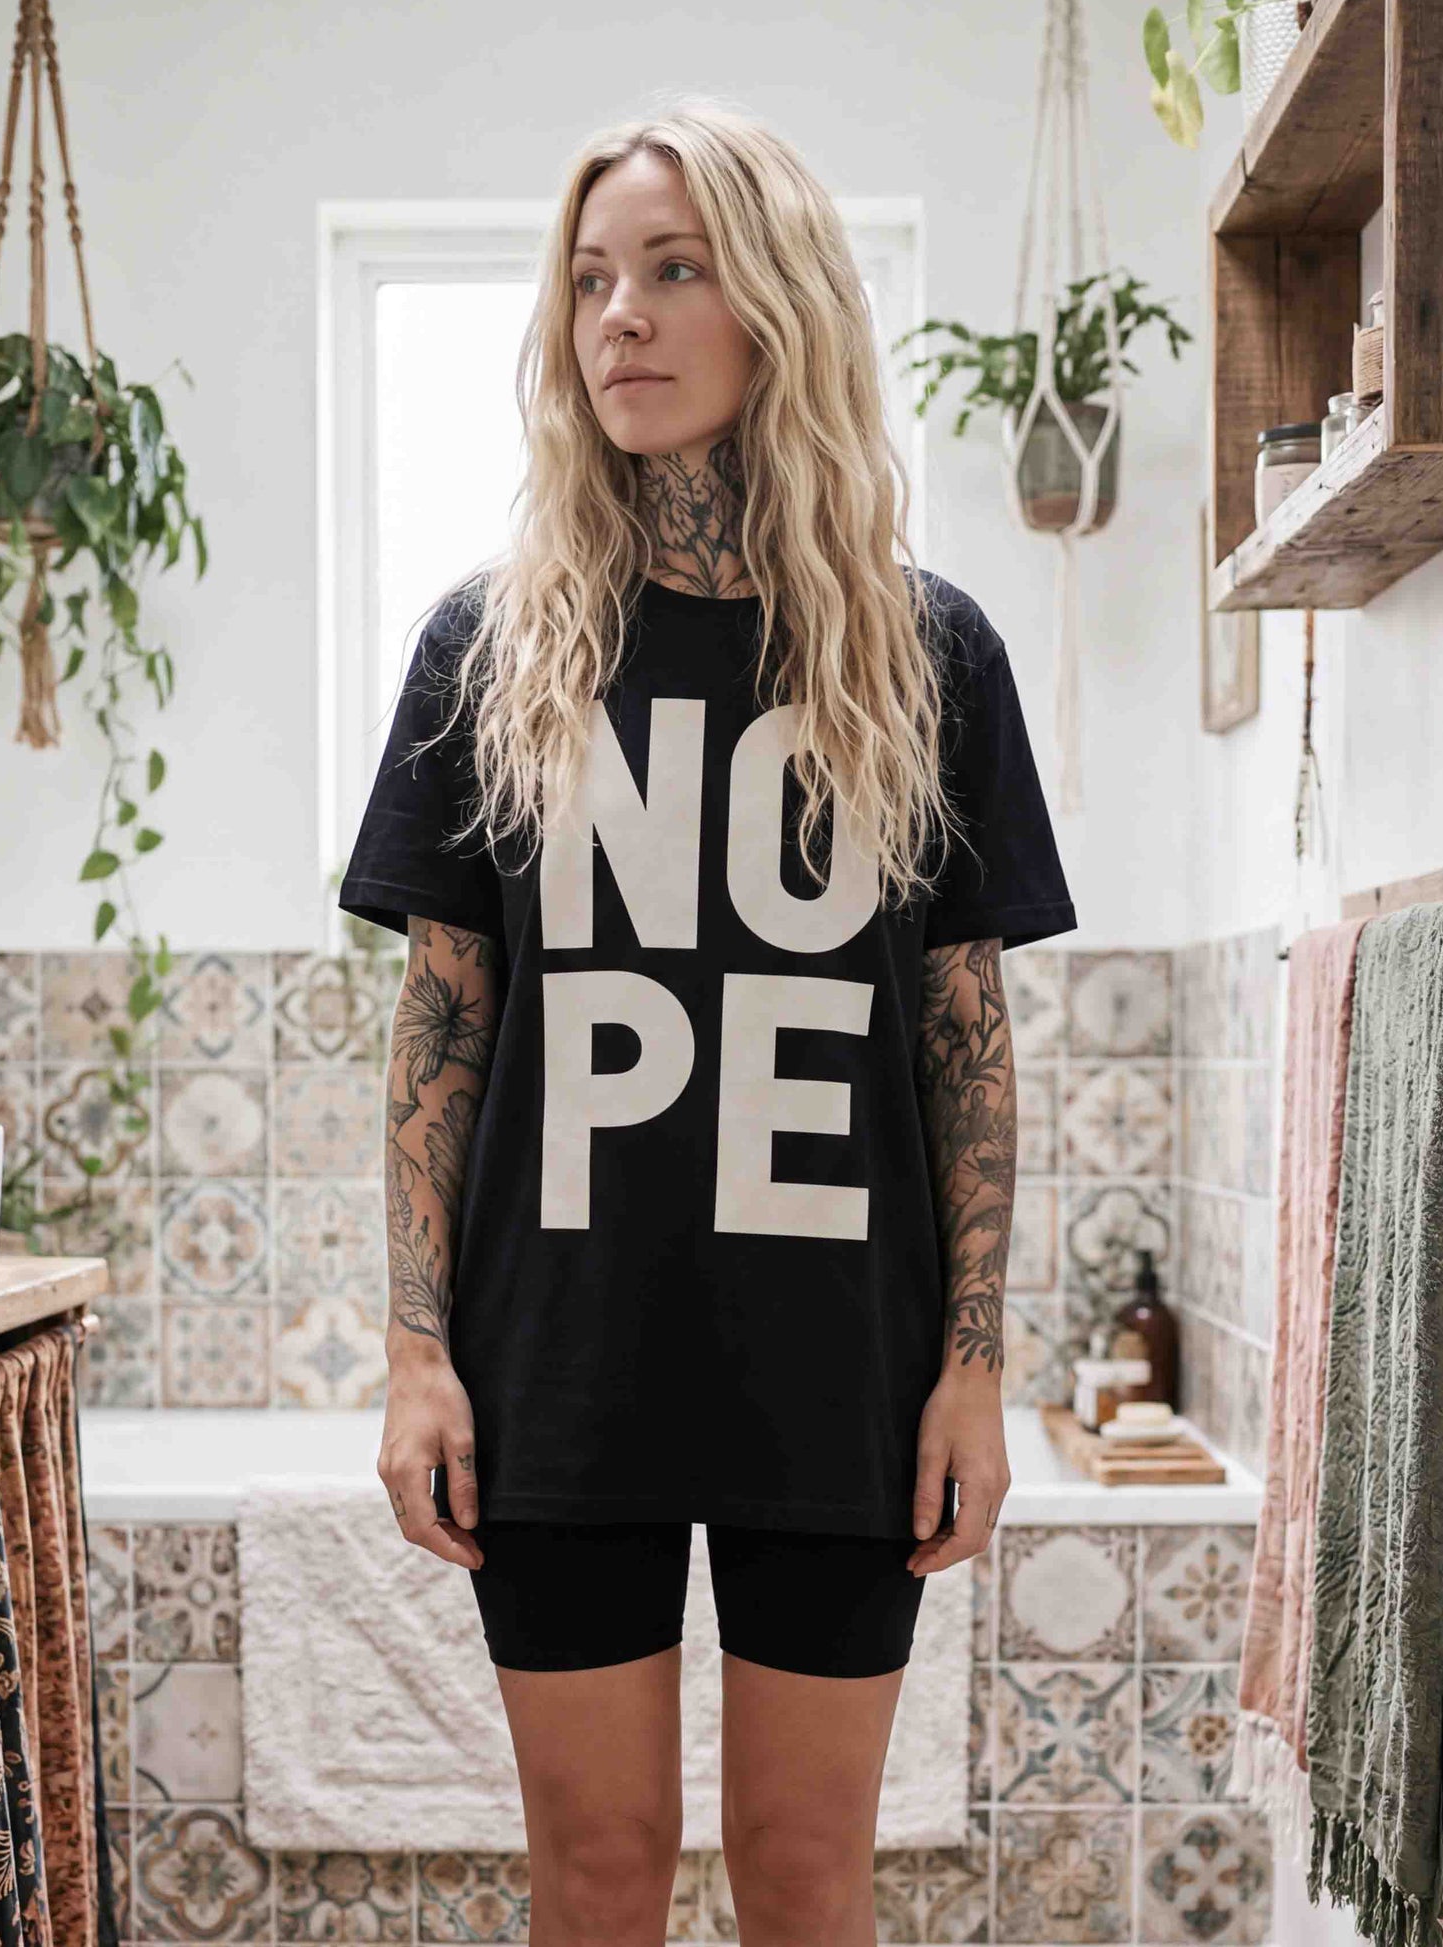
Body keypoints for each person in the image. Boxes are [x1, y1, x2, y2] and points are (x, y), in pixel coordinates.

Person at [339, 97, 1075, 1947]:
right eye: (591, 279)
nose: (621, 318)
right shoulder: (488, 651)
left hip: (840, 1357)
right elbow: (440, 1032)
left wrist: (974, 1367)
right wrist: (417, 1355)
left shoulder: (927, 654)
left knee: (806, 1873)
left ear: (780, 304)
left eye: (674, 270)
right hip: (556, 1357)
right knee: (593, 1872)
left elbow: (964, 1046)